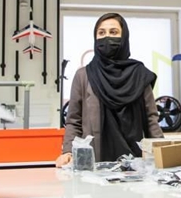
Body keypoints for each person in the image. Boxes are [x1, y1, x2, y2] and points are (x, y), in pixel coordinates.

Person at [56, 13, 163, 166]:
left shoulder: (139, 74)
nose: (107, 37)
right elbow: (74, 121)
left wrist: (162, 152)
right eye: (101, 33)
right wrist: (67, 151)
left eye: (113, 32)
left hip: (136, 164)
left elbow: (151, 119)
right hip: (95, 163)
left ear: (124, 37)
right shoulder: (84, 75)